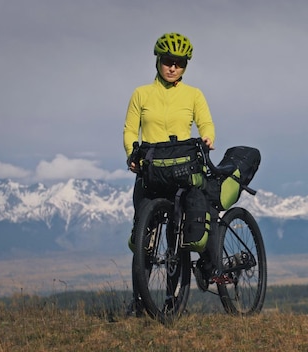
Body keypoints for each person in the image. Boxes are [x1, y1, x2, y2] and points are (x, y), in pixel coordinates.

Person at [123, 32, 216, 316]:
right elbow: (130, 130)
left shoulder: (194, 95)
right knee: (144, 239)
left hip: (180, 173)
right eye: (168, 61)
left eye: (179, 63)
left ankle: (173, 302)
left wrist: (208, 138)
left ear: (185, 65)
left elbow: (206, 124)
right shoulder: (141, 94)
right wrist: (131, 154)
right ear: (158, 61)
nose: (173, 67)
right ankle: (139, 304)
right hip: (151, 172)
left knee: (178, 237)